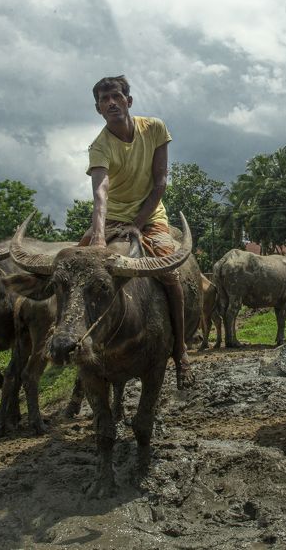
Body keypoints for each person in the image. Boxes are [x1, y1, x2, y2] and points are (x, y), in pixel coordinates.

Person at [80, 75, 193, 389]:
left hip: (150, 215)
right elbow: (100, 194)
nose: (111, 103)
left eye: (116, 96)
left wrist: (139, 224)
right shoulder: (99, 146)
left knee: (170, 274)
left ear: (128, 101)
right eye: (105, 99)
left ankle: (180, 350)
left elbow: (160, 183)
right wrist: (99, 238)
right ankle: (77, 350)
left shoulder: (154, 128)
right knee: (74, 273)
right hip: (111, 219)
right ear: (98, 109)